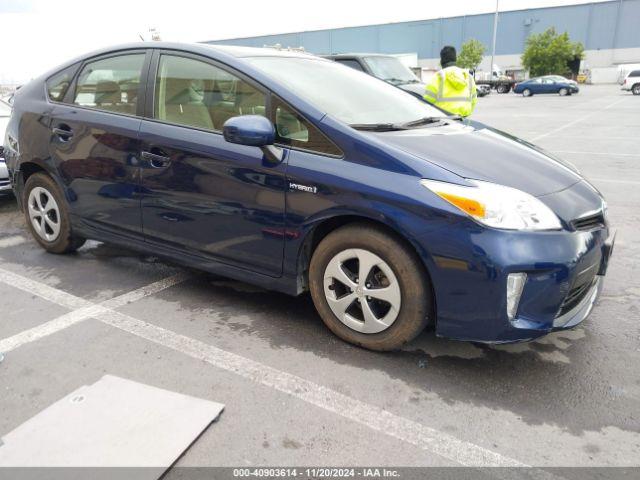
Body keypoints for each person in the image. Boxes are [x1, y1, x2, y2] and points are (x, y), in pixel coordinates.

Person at [424, 46, 477, 117]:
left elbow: (427, 103)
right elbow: (473, 101)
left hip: (443, 122)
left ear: (441, 61)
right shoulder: (468, 77)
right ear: (455, 59)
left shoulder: (438, 77)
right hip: (464, 122)